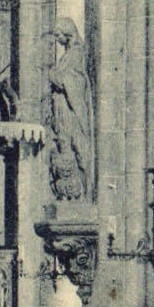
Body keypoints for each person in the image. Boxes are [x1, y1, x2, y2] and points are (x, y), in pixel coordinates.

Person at [48, 16, 94, 201]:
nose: (57, 39)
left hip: (71, 110)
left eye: (59, 34)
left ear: (67, 32)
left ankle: (81, 191)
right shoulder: (67, 55)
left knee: (75, 147)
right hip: (61, 108)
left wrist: (53, 75)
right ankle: (68, 191)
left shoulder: (76, 53)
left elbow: (71, 80)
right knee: (63, 143)